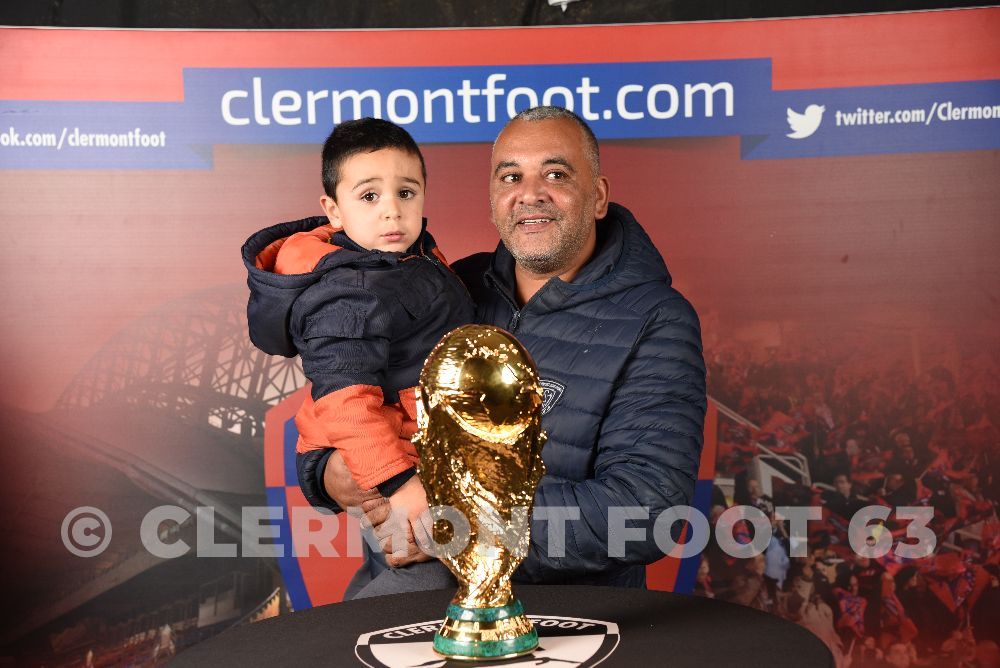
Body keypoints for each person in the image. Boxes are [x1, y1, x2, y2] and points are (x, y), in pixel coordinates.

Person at [320, 105, 706, 592]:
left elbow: (646, 511)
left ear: (599, 196)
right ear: (493, 197)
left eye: (556, 173)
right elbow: (348, 397)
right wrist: (328, 472)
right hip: (402, 599)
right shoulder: (447, 286)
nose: (529, 194)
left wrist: (451, 522)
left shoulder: (656, 319)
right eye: (510, 177)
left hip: (561, 624)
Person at [241, 118, 474, 575]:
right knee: (415, 571)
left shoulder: (404, 257)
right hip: (389, 458)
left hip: (414, 442)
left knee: (419, 568)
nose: (391, 211)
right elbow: (346, 401)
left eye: (406, 193)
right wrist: (398, 483)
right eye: (369, 196)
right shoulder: (349, 292)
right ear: (333, 211)